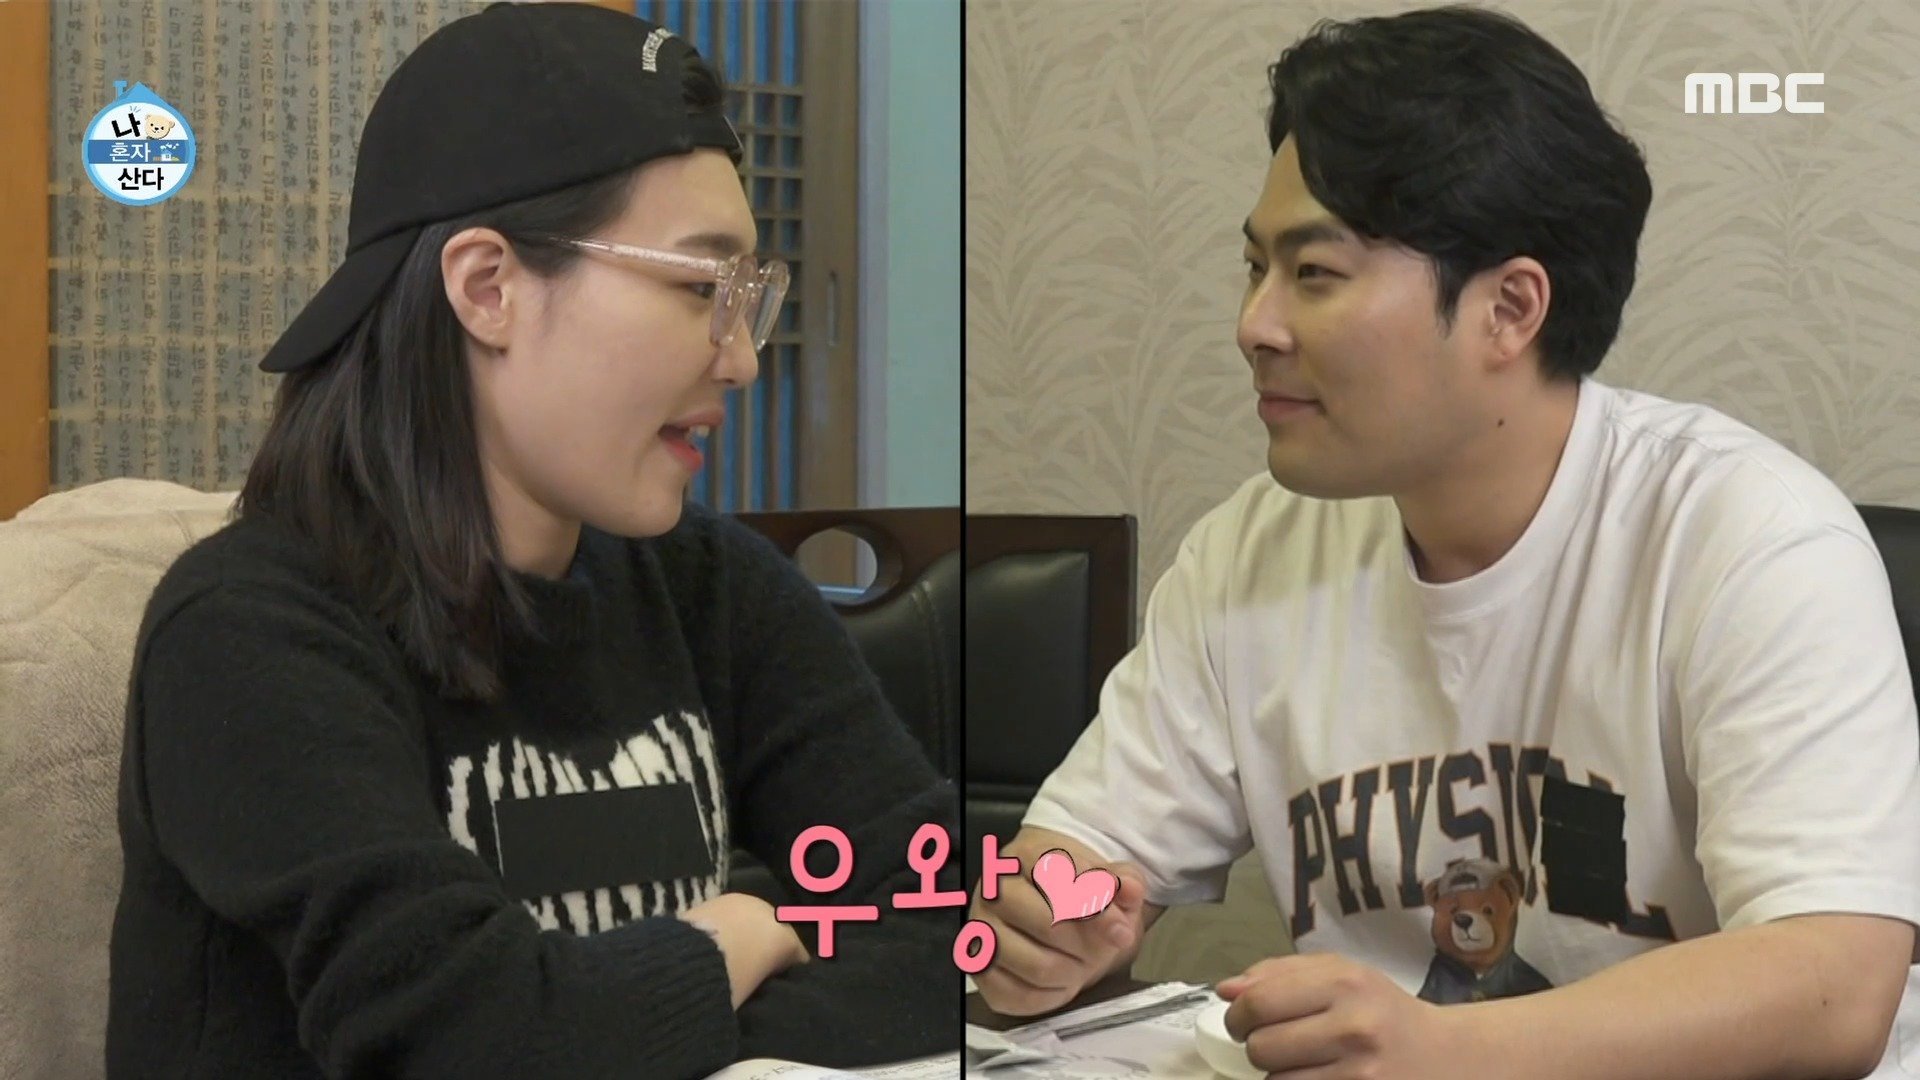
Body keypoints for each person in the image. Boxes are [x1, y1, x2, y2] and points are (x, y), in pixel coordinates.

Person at [971, 6, 1920, 1078]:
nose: (1255, 325)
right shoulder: (1250, 551)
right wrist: (1046, 924)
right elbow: (1084, 855)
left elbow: (1836, 981)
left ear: (1509, 309)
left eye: (1313, 274)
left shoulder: (1752, 540)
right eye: (1254, 267)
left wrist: (1449, 1051)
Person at [106, 6, 959, 1078]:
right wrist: (735, 940)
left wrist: (649, 1025)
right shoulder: (248, 635)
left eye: (747, 298)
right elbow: (473, 1042)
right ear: (488, 288)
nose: (740, 358)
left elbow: (936, 910)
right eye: (700, 288)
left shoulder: (707, 585)